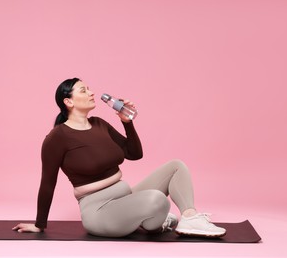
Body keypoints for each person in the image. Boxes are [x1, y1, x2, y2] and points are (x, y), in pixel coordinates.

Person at [12, 77, 226, 238]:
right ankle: (152, 218)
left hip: (125, 196)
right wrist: (40, 224)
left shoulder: (99, 124)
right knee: (157, 199)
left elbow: (134, 154)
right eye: (84, 90)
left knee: (176, 167)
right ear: (68, 101)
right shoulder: (57, 137)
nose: (92, 92)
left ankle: (189, 218)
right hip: (99, 211)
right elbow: (48, 182)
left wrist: (127, 122)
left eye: (89, 89)